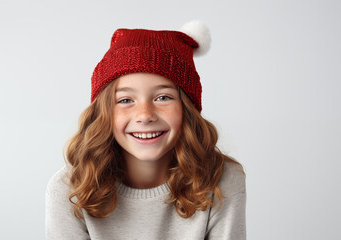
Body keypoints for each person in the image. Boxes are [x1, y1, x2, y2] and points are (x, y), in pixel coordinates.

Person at [45, 21, 246, 240]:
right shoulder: (69, 189)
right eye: (125, 100)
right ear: (103, 114)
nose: (144, 115)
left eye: (163, 97)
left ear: (187, 108)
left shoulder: (222, 179)